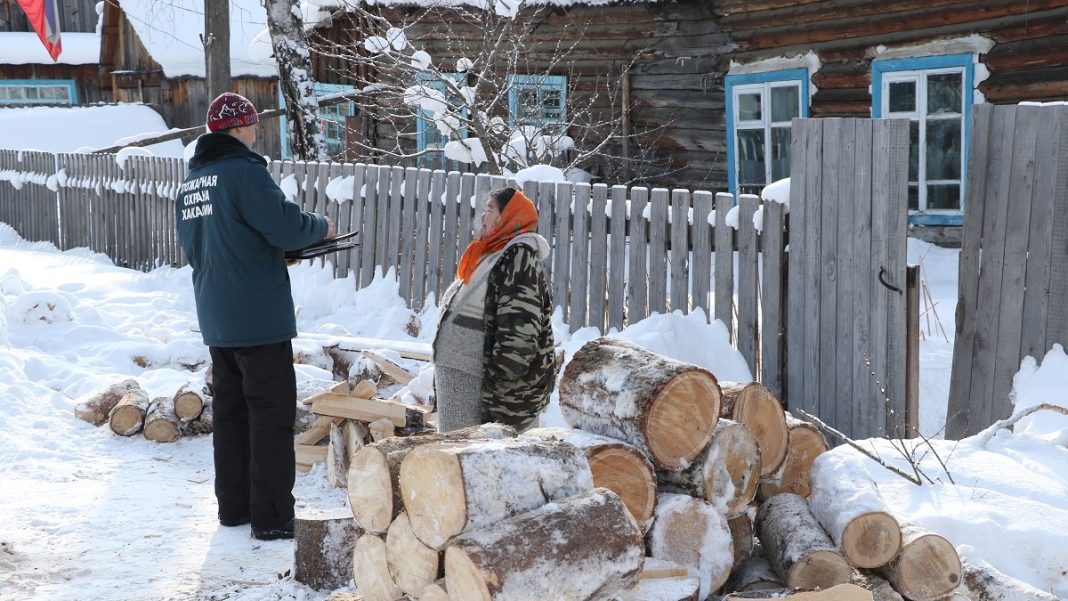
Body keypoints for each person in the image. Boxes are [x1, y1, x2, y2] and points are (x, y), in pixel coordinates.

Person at [176, 92, 333, 541]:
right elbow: (284, 226)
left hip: (217, 317)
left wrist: (265, 256)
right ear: (241, 128)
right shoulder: (244, 172)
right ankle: (272, 517)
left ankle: (235, 508)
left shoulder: (192, 184)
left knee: (231, 415)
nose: (255, 134)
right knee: (270, 415)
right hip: (259, 318)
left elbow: (210, 247)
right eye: (253, 126)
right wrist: (320, 227)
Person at [432, 187, 556, 432]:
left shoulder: (518, 258)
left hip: (477, 378)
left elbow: (520, 329)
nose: (483, 216)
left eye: (490, 210)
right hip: (463, 373)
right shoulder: (494, 252)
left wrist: (501, 386)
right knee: (456, 450)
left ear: (508, 217)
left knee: (469, 450)